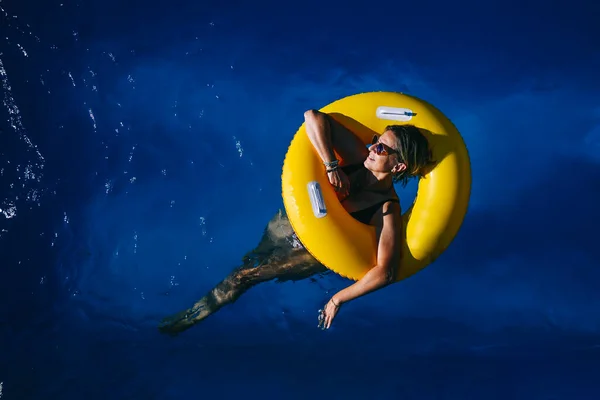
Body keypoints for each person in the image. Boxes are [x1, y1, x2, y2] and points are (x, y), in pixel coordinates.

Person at [158, 109, 433, 335]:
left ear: (398, 167)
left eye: (382, 148)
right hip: (288, 225)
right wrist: (331, 165)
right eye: (375, 139)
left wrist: (337, 299)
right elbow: (312, 116)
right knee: (247, 262)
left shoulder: (385, 209)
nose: (373, 147)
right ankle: (189, 316)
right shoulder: (357, 158)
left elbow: (386, 271)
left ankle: (183, 322)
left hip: (309, 254)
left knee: (242, 278)